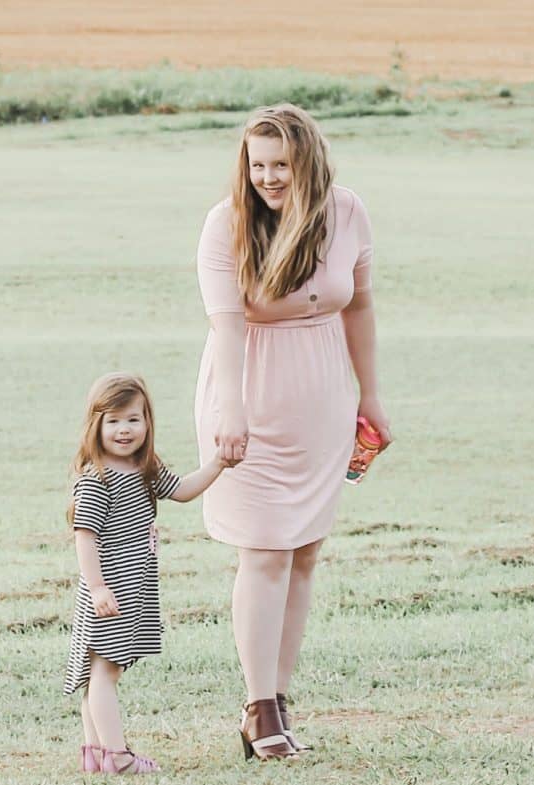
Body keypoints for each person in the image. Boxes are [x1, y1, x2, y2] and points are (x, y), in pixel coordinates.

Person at [194, 104, 393, 760]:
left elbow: (359, 305)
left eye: (281, 164)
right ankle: (258, 707)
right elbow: (227, 327)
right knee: (265, 548)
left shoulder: (348, 213)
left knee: (304, 549)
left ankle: (277, 697)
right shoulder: (227, 223)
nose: (269, 178)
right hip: (249, 399)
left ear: (307, 161)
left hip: (324, 400)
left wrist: (371, 394)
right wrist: (231, 409)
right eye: (258, 165)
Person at [63, 372, 230, 775]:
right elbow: (84, 539)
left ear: (147, 422)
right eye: (114, 420)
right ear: (96, 425)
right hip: (110, 592)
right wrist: (99, 588)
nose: (124, 429)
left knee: (97, 673)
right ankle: (118, 756)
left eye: (133, 419)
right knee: (104, 673)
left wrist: (220, 462)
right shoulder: (97, 480)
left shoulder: (145, 467)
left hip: (129, 589)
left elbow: (185, 489)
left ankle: (96, 753)